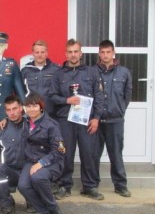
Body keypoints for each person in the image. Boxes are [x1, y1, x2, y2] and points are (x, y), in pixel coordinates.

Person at [50, 39, 104, 200]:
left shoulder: (92, 72)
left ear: (81, 53)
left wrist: (96, 118)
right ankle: (64, 185)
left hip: (86, 120)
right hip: (65, 119)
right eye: (70, 52)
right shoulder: (59, 74)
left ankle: (89, 186)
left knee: (89, 153)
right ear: (66, 54)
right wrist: (67, 100)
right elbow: (52, 96)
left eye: (76, 52)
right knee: (65, 153)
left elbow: (99, 96)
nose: (73, 55)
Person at [18, 93, 66, 214]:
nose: (31, 109)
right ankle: (45, 213)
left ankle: (55, 211)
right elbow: (12, 119)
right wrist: (3, 121)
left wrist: (41, 163)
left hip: (51, 162)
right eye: (28, 106)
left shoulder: (51, 125)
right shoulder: (25, 121)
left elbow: (59, 150)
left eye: (34, 106)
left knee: (38, 178)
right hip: (31, 161)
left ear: (41, 107)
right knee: (23, 186)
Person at [94, 40, 133, 197]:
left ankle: (120, 185)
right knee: (93, 155)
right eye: (102, 52)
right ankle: (92, 185)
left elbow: (127, 95)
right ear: (99, 54)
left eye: (108, 52)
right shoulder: (93, 72)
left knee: (116, 154)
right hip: (96, 121)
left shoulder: (123, 72)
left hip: (115, 121)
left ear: (113, 52)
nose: (105, 55)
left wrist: (120, 110)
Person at [0, 95, 28, 214]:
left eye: (15, 109)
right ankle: (7, 205)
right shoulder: (1, 129)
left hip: (27, 171)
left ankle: (33, 199)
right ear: (5, 111)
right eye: (8, 110)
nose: (12, 113)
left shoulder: (31, 126)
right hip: (9, 172)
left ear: (21, 108)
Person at [21, 40, 60, 116]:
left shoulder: (56, 70)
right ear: (33, 53)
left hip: (52, 114)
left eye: (42, 52)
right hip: (32, 114)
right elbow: (20, 92)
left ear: (46, 53)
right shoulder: (25, 71)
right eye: (37, 52)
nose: (40, 55)